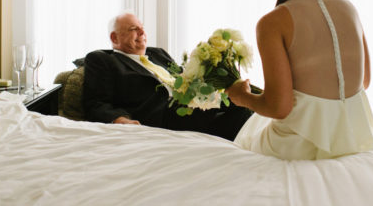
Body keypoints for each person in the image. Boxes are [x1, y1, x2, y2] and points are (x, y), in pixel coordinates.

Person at [226, 0, 373, 159]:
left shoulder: (272, 22)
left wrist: (241, 96)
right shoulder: (349, 7)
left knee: (246, 139)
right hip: (351, 141)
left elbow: (280, 107)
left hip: (299, 146)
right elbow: (363, 81)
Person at [83, 12, 252, 141]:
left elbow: (185, 77)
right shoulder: (102, 60)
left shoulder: (158, 53)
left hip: (192, 106)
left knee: (242, 107)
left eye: (142, 27)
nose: (142, 32)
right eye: (134, 29)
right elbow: (95, 103)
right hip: (163, 114)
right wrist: (120, 120)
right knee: (238, 99)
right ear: (114, 37)